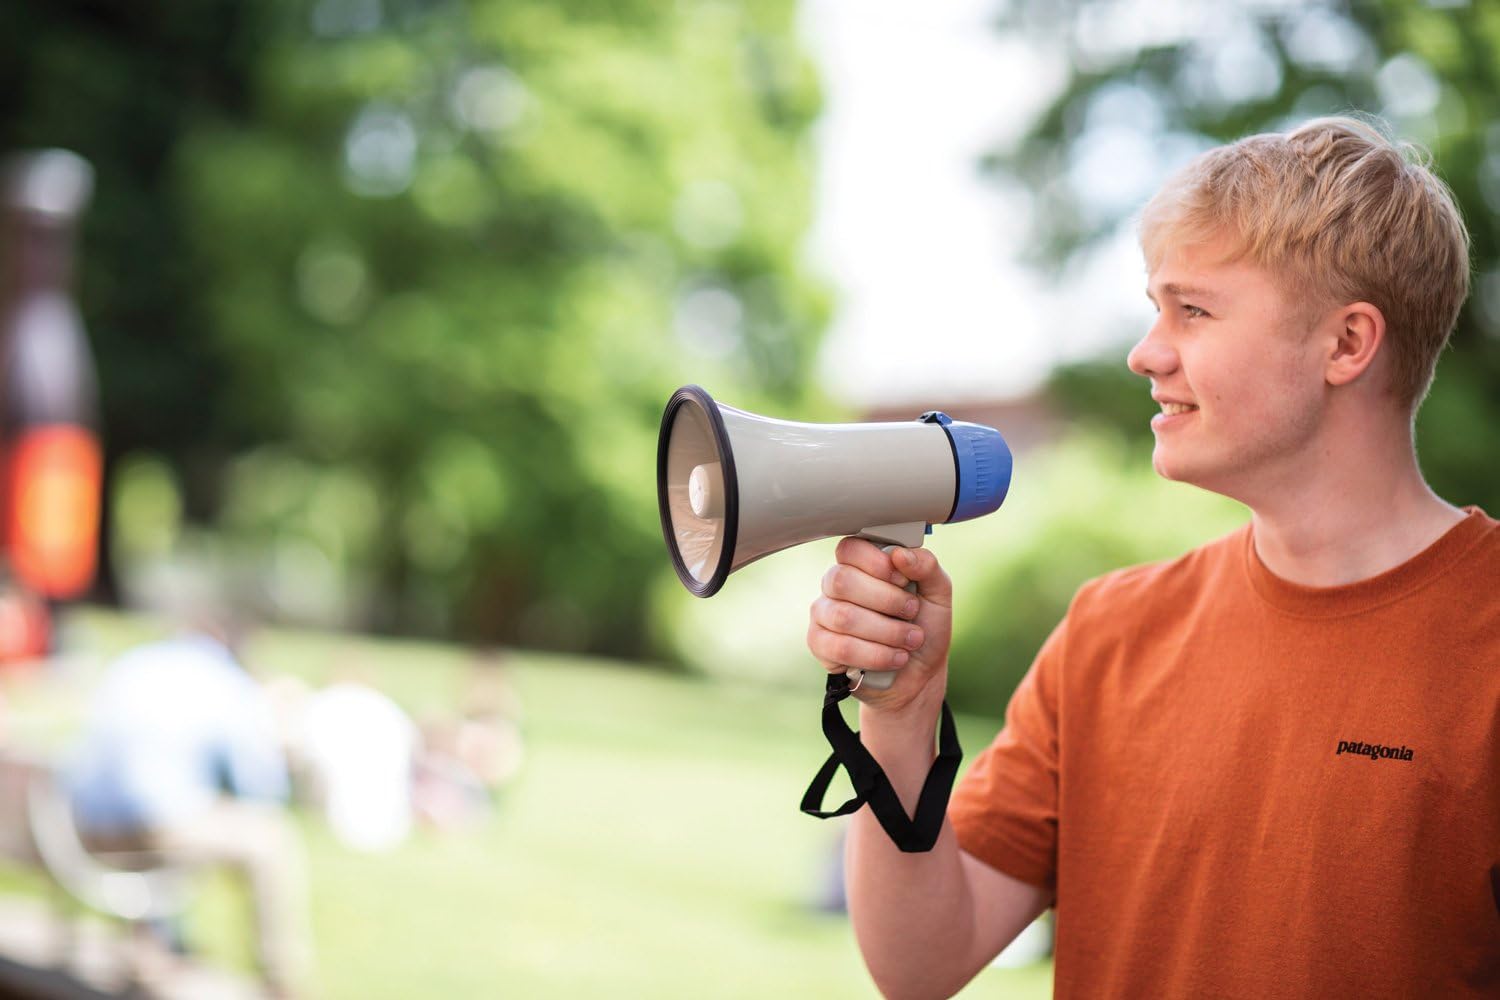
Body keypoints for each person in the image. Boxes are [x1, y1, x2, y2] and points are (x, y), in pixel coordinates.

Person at [805, 115, 1499, 999]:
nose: (1146, 352)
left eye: (1194, 310)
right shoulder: (1110, 631)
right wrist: (899, 716)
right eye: (1153, 308)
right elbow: (919, 964)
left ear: (1347, 344)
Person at [65, 627, 312, 998]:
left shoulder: (136, 660)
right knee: (272, 839)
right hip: (146, 828)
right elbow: (259, 787)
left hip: (81, 825)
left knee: (173, 813)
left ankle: (154, 947)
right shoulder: (223, 680)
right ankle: (282, 980)